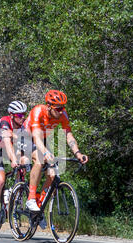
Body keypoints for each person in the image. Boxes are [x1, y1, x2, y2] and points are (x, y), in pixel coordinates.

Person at [23, 90, 88, 229]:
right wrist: (46, 152)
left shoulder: (62, 114)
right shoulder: (38, 112)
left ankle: (38, 209)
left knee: (53, 175)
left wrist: (77, 153)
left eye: (63, 107)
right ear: (49, 106)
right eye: (58, 108)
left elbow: (68, 135)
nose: (61, 111)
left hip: (43, 139)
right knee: (40, 159)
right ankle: (31, 198)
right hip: (27, 137)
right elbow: (36, 138)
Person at [0, 100, 29, 230]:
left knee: (25, 164)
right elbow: (7, 143)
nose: (23, 118)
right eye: (20, 115)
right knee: (0, 180)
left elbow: (24, 145)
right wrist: (13, 160)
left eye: (24, 114)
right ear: (11, 115)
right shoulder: (5, 122)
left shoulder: (22, 126)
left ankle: (15, 193)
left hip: (8, 148)